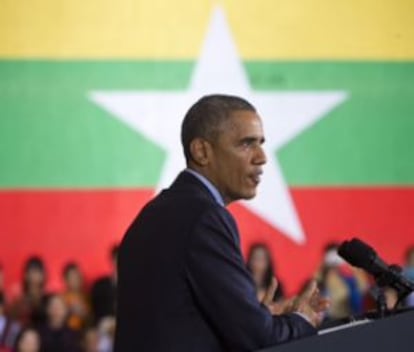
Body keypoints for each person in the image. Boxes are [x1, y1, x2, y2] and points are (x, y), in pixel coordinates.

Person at [115, 95, 328, 352]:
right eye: (247, 144)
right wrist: (301, 320)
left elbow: (180, 320)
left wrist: (259, 316)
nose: (261, 157)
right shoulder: (206, 218)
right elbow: (255, 338)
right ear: (202, 151)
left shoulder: (153, 213)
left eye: (260, 143)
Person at [10, 257, 49, 326]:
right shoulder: (19, 301)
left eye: (37, 272)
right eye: (31, 271)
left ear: (43, 275)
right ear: (26, 275)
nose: (33, 275)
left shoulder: (48, 300)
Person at [90, 246, 118, 325]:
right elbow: (96, 311)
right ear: (111, 261)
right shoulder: (99, 286)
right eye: (115, 259)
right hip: (105, 324)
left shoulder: (134, 284)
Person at [61, 262, 90, 331]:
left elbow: (91, 319)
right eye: (72, 277)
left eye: (77, 276)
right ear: (65, 280)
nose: (75, 279)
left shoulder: (87, 297)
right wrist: (69, 310)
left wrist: (84, 314)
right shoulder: (61, 298)